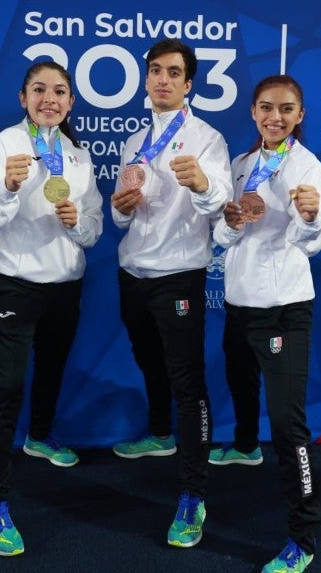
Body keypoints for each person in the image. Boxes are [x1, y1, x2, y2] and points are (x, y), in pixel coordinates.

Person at [0, 60, 103, 557]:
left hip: (64, 283)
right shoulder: (7, 144)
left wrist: (76, 223)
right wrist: (7, 187)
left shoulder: (77, 155)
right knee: (6, 386)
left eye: (60, 92)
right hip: (14, 284)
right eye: (39, 90)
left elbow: (93, 230)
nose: (50, 99)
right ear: (24, 97)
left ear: (71, 103)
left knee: (51, 368)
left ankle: (40, 437)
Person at [110, 38, 232, 548]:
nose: (162, 79)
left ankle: (193, 495)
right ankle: (159, 433)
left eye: (173, 73)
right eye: (155, 71)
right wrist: (121, 204)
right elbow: (119, 217)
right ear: (146, 79)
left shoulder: (208, 139)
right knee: (148, 360)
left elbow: (223, 209)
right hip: (133, 272)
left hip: (180, 274)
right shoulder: (134, 140)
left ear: (188, 84)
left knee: (187, 383)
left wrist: (203, 183)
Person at [211, 74, 321, 572]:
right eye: (265, 108)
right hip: (239, 303)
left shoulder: (308, 168)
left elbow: (315, 241)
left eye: (285, 109)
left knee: (286, 423)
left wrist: (307, 216)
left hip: (283, 308)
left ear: (299, 116)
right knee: (239, 377)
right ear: (254, 112)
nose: (274, 117)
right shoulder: (241, 165)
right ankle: (243, 446)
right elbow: (222, 235)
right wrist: (233, 221)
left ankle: (303, 537)